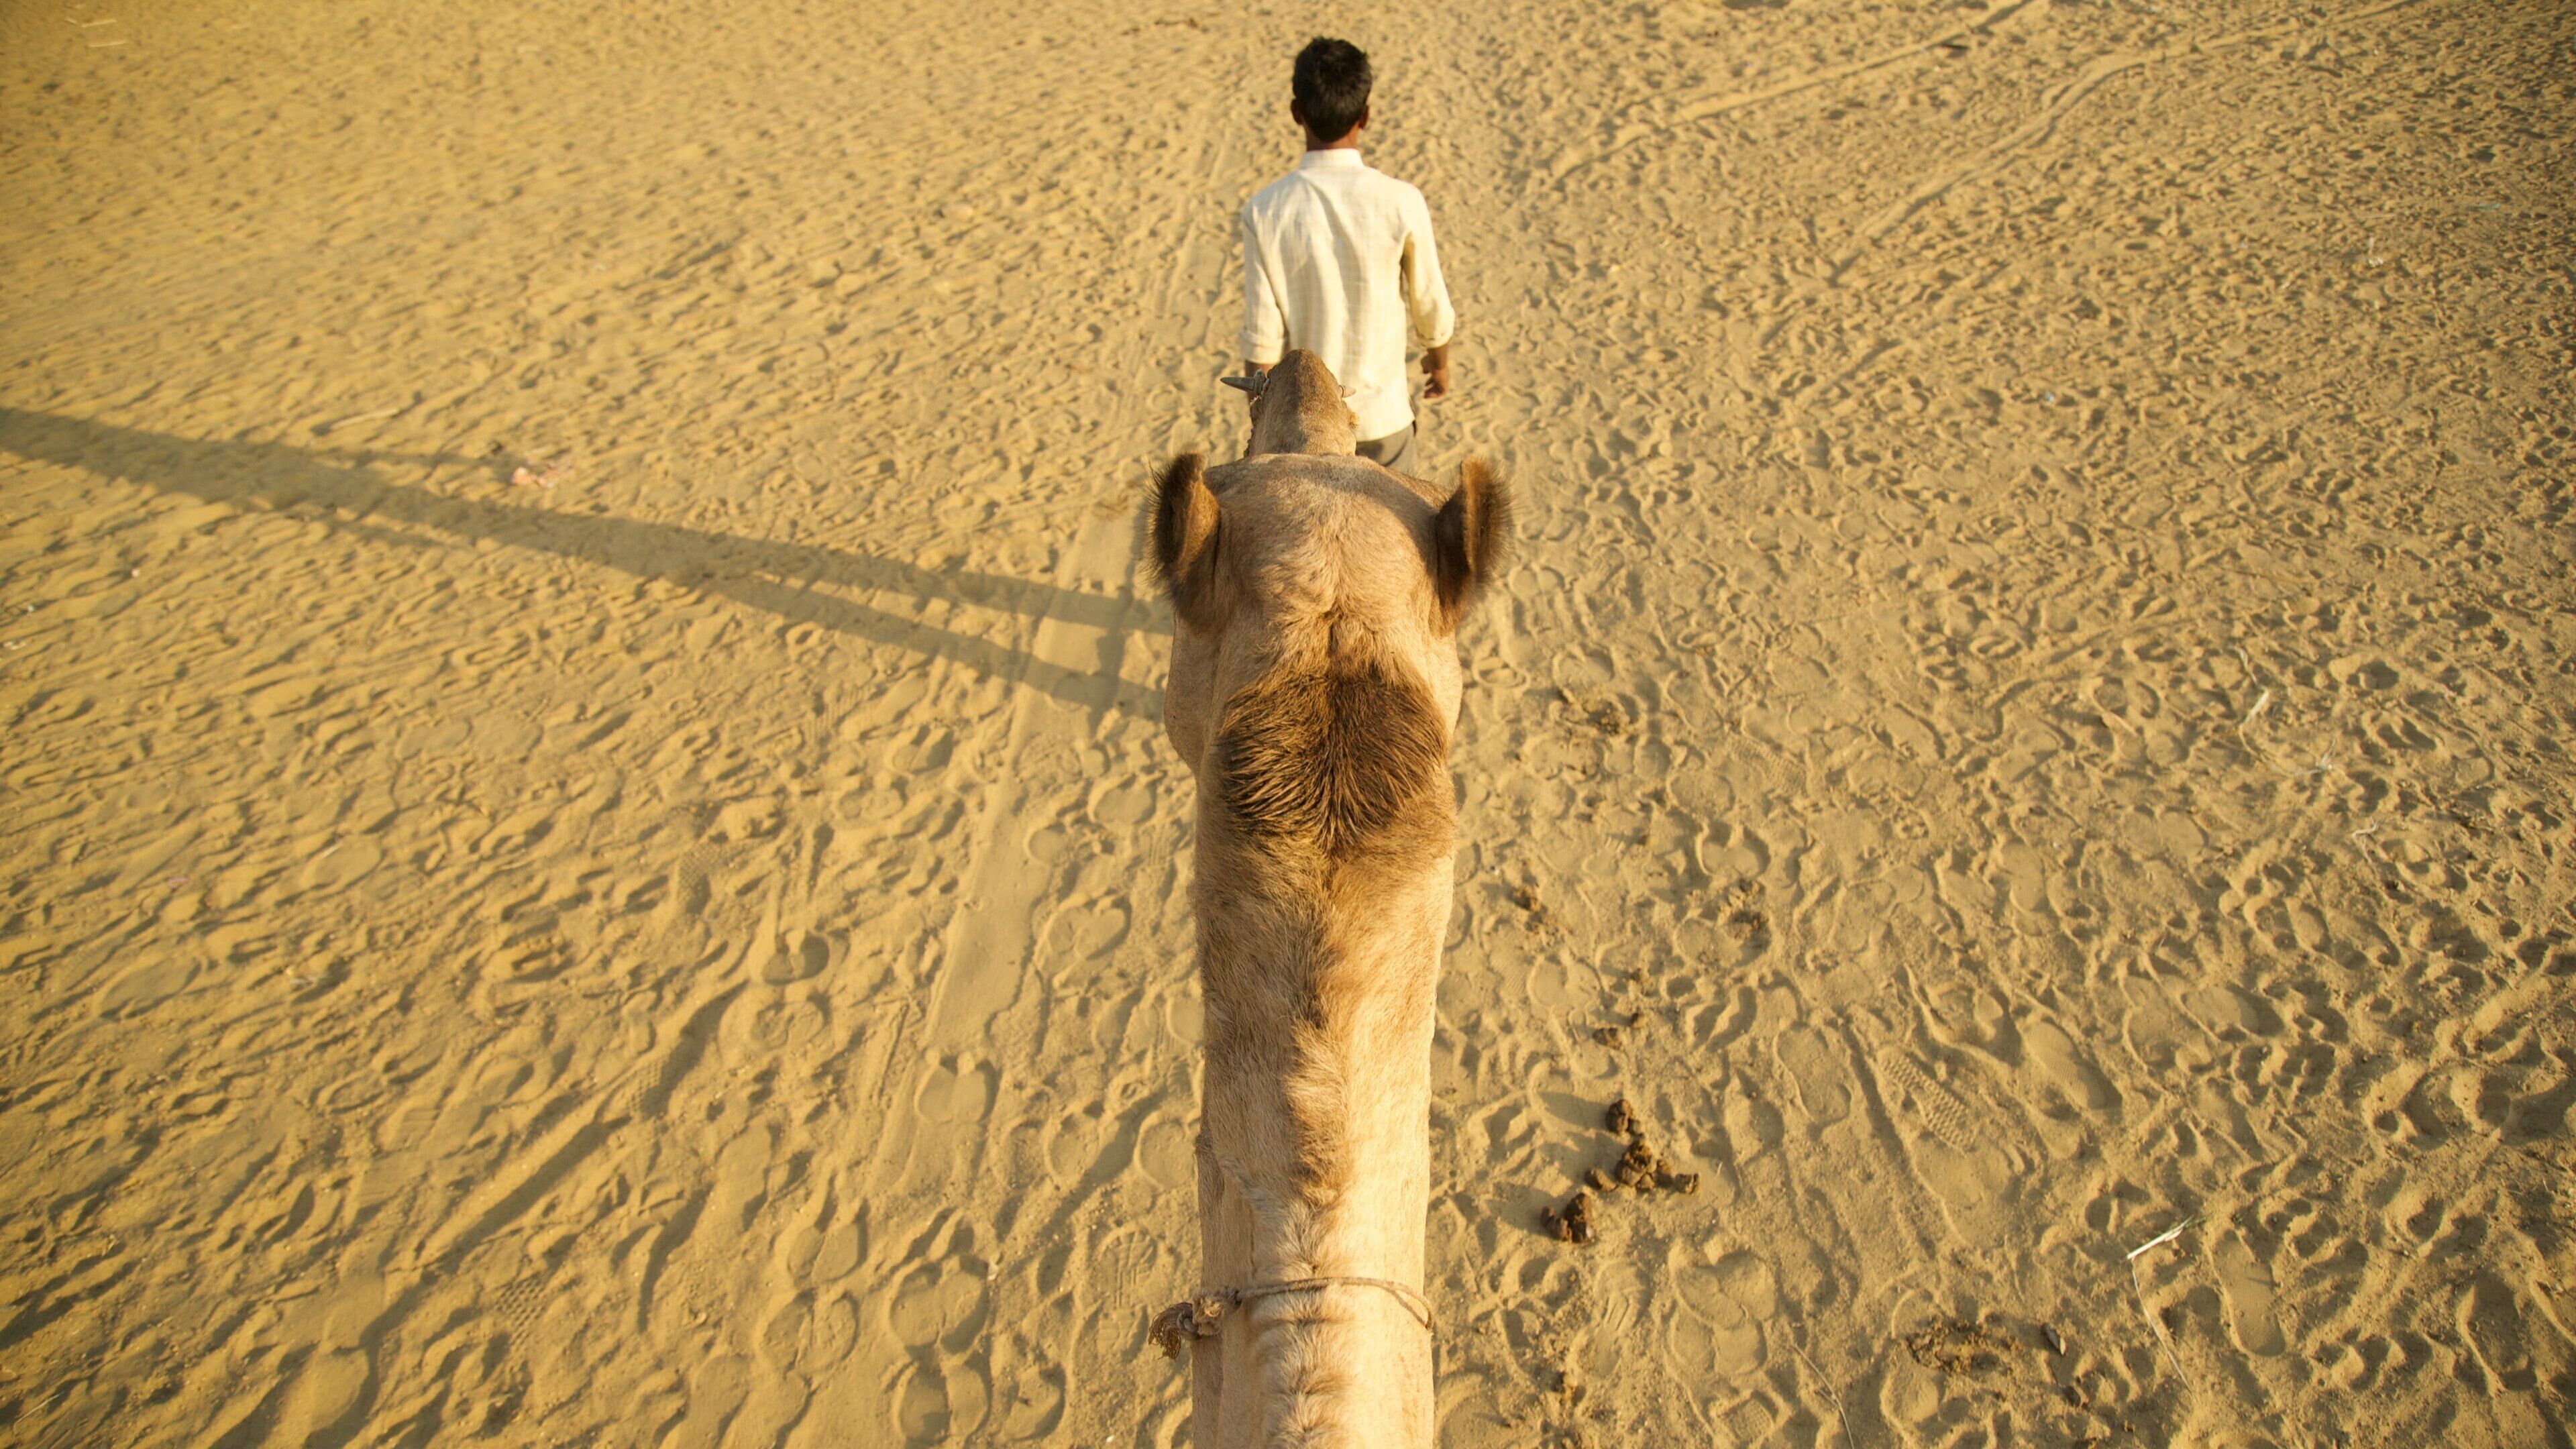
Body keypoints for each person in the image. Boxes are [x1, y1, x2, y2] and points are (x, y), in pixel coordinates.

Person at [1238, 37, 1455, 477]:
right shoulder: (1401, 201)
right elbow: (1430, 305)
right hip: (1383, 417)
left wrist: (1262, 414)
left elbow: (1261, 337)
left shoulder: (1264, 209)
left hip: (1303, 430)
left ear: (1297, 113)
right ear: (1366, 115)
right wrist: (1439, 363)